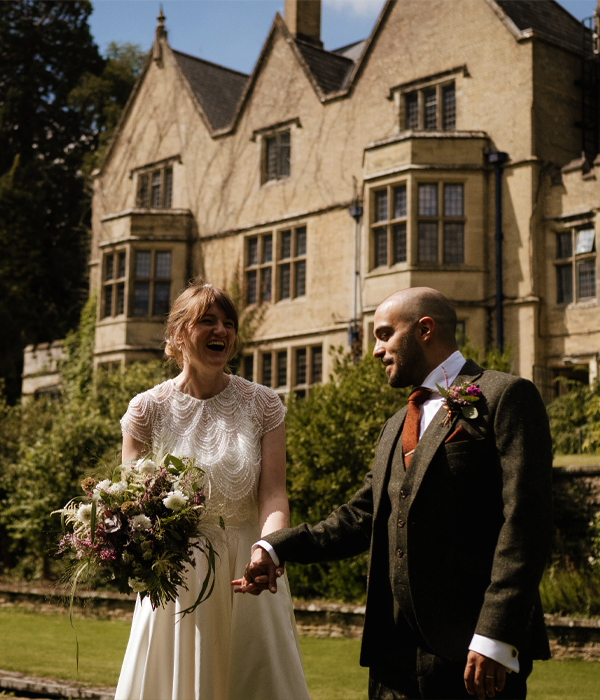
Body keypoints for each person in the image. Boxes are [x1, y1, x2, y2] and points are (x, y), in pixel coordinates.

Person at [234, 287, 553, 700]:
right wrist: (275, 548)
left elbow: (527, 522)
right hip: (392, 658)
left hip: (473, 654)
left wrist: (495, 633)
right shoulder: (394, 425)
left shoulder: (505, 397)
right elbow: (359, 516)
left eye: (385, 334)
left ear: (424, 329)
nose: (375, 350)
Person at [115, 280, 310, 700]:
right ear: (178, 334)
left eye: (228, 322)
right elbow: (130, 505)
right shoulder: (145, 410)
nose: (221, 330)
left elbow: (274, 494)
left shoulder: (264, 405)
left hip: (248, 568)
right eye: (207, 321)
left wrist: (268, 549)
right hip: (174, 576)